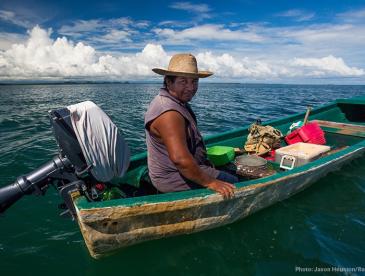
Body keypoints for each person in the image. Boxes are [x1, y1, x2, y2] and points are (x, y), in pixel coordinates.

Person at [144, 53, 237, 198]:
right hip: (172, 178)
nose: (190, 87)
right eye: (183, 82)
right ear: (169, 82)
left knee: (230, 170)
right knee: (234, 181)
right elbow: (180, 160)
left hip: (187, 168)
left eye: (194, 81)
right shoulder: (168, 112)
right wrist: (211, 183)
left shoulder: (177, 101)